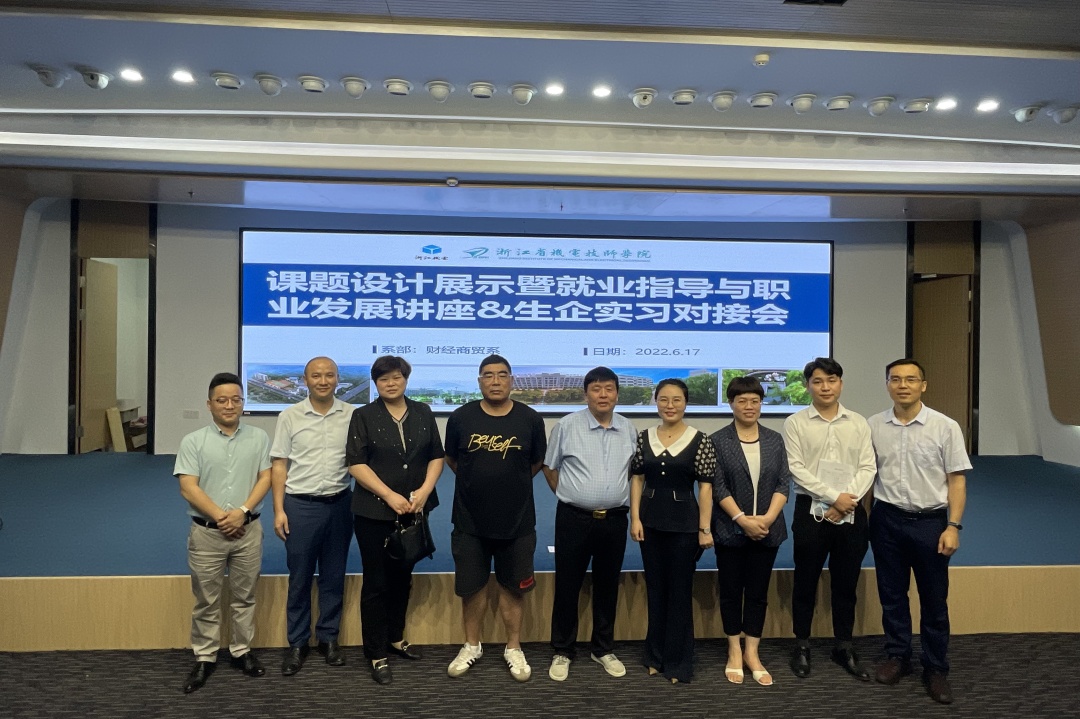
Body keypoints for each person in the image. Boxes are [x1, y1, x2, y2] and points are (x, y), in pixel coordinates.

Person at [868, 358, 970, 705]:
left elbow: (957, 481)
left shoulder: (945, 427)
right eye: (895, 379)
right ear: (887, 384)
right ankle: (898, 655)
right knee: (892, 595)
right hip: (886, 520)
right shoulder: (873, 425)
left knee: (934, 599)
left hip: (930, 523)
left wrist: (953, 526)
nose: (903, 385)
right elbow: (868, 477)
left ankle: (935, 667)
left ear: (923, 385)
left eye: (911, 379)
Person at [444, 354, 547, 682]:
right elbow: (453, 460)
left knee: (513, 587)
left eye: (502, 375)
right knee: (471, 587)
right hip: (469, 522)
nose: (495, 381)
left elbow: (535, 463)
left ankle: (513, 647)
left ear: (511, 380)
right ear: (479, 381)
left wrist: (509, 484)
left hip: (517, 522)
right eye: (488, 375)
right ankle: (471, 645)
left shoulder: (530, 419)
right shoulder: (461, 418)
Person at [346, 356, 445, 685]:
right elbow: (356, 463)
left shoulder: (423, 412)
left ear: (406, 379)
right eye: (383, 379)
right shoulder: (363, 415)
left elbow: (436, 456)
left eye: (396, 377)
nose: (391, 383)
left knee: (402, 578)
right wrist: (389, 495)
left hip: (414, 511)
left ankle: (395, 637)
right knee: (376, 583)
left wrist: (425, 491)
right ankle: (376, 653)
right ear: (375, 383)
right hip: (374, 512)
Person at [175, 372, 272, 694]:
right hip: (207, 534)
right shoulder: (193, 441)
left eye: (236, 399)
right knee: (207, 600)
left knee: (245, 596)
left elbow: (265, 477)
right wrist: (221, 517)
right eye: (222, 400)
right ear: (209, 404)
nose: (229, 405)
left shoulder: (259, 438)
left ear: (243, 402)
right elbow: (188, 487)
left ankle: (242, 651)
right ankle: (205, 656)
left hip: (248, 531)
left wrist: (241, 512)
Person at [783, 357, 876, 681]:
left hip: (852, 511)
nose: (825, 387)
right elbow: (796, 468)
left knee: (846, 582)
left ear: (841, 384)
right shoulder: (795, 423)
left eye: (832, 380)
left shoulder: (858, 422)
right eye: (818, 381)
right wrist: (833, 497)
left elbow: (868, 466)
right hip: (810, 511)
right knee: (805, 580)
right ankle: (802, 644)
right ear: (807, 385)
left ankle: (844, 645)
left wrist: (847, 500)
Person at [543, 366, 636, 682]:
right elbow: (550, 468)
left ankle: (603, 649)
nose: (603, 395)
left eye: (609, 389)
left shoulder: (628, 429)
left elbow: (632, 474)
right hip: (574, 519)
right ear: (586, 394)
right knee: (567, 585)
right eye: (596, 389)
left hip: (614, 520)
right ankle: (563, 650)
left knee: (608, 586)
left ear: (617, 394)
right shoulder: (567, 426)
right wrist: (572, 495)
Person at [629, 378, 717, 684]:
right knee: (656, 590)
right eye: (664, 399)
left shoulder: (700, 439)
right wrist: (635, 518)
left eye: (677, 400)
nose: (670, 405)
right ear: (655, 402)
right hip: (650, 523)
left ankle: (678, 663)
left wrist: (704, 528)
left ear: (686, 403)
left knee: (679, 593)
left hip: (684, 526)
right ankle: (654, 657)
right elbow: (637, 479)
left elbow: (706, 488)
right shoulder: (644, 437)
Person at [270, 356, 354, 675]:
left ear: (337, 379)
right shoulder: (289, 416)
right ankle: (297, 643)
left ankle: (328, 638)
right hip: (300, 506)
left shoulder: (352, 415)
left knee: (334, 575)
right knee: (300, 577)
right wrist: (279, 510)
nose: (323, 381)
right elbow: (280, 464)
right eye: (316, 376)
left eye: (329, 375)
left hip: (340, 504)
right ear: (305, 380)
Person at [710, 375, 791, 687]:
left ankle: (752, 652)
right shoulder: (718, 440)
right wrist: (742, 520)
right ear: (731, 404)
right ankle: (734, 650)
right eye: (741, 400)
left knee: (757, 593)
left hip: (768, 530)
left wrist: (767, 519)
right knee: (731, 592)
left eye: (754, 401)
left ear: (761, 403)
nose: (748, 406)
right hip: (730, 529)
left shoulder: (774, 439)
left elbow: (783, 482)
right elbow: (718, 486)